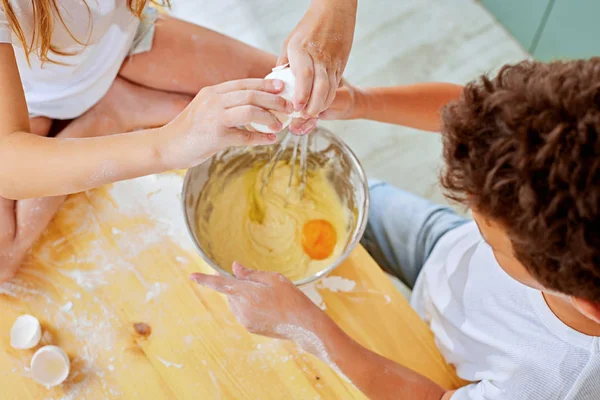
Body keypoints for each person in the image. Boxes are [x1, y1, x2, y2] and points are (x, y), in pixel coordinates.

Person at [191, 58, 600, 399]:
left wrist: (309, 326)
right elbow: (470, 113)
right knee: (367, 199)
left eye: (491, 242)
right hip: (439, 246)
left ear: (587, 305)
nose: (478, 230)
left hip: (445, 354)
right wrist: (358, 101)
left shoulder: (554, 381)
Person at [0, 0, 358, 282]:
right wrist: (167, 144)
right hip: (27, 98)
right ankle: (113, 113)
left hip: (122, 43)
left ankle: (116, 107)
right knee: (5, 254)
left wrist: (334, 9)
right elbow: (10, 163)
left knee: (320, 96)